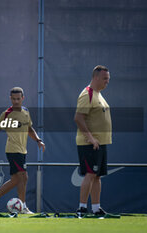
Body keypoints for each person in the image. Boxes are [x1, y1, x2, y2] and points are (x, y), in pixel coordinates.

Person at [0, 87, 45, 214]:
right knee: (21, 177)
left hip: (22, 151)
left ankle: (5, 203)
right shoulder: (6, 114)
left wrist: (38, 140)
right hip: (12, 150)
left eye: (18, 99)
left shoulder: (26, 112)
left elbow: (30, 129)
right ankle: (5, 203)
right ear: (10, 98)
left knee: (20, 179)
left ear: (22, 98)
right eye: (13, 99)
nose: (16, 101)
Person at [74, 65, 111, 217]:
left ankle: (96, 208)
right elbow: (78, 118)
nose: (107, 81)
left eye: (108, 79)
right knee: (90, 174)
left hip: (100, 143)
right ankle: (82, 208)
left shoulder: (99, 94)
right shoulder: (87, 93)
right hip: (89, 143)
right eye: (105, 78)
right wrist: (90, 138)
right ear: (95, 77)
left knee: (97, 176)